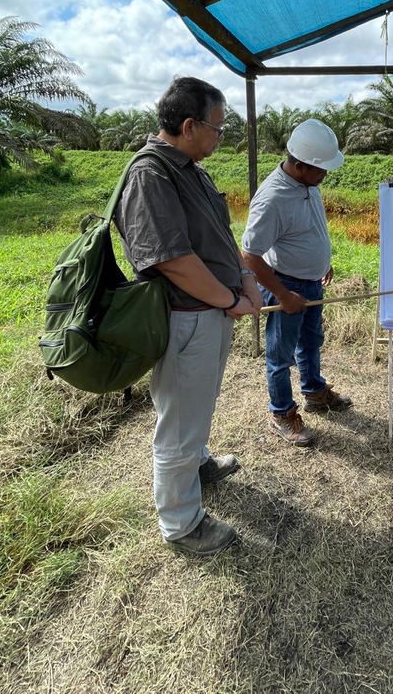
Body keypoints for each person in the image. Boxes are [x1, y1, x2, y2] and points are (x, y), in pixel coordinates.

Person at [114, 77, 261, 556]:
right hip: (187, 317)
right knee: (177, 422)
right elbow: (171, 260)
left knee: (197, 404)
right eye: (217, 129)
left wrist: (245, 278)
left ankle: (198, 463)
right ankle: (181, 523)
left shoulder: (190, 169)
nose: (221, 138)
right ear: (189, 124)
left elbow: (218, 234)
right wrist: (228, 299)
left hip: (211, 313)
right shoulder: (151, 175)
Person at [242, 119, 353, 446]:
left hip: (310, 282)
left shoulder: (309, 185)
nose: (326, 175)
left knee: (311, 341)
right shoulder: (272, 198)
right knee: (280, 355)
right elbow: (250, 256)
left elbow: (309, 228)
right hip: (286, 285)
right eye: (321, 169)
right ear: (301, 165)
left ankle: (315, 391)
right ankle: (281, 413)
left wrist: (322, 261)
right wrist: (282, 293)